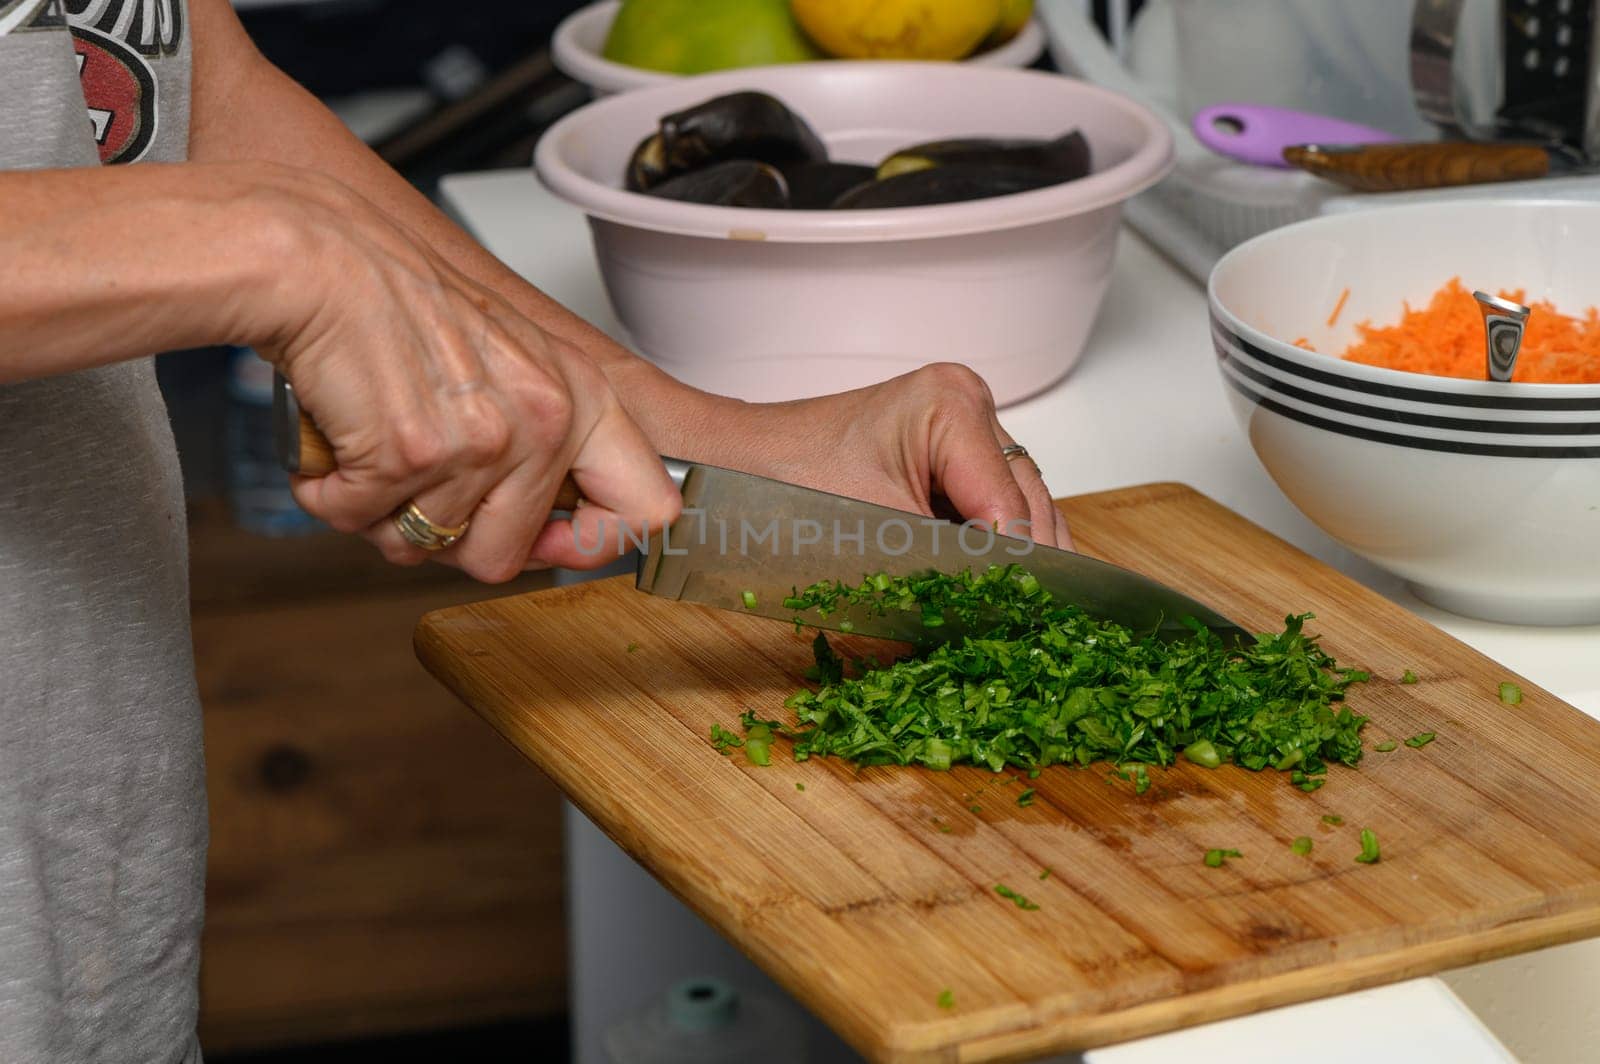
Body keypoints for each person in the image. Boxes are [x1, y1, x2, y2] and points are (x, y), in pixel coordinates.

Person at [0, 1, 1067, 1060]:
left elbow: (178, 77)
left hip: (83, 869)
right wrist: (278, 247)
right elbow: (263, 219)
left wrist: (693, 433)